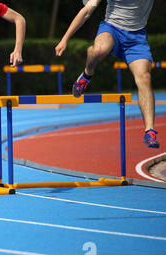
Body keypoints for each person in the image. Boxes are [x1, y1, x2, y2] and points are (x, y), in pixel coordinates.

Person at [55, 0, 159, 148]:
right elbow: (86, 12)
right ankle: (87, 74)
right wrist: (65, 39)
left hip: (136, 38)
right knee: (98, 50)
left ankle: (150, 131)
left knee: (145, 78)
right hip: (111, 29)